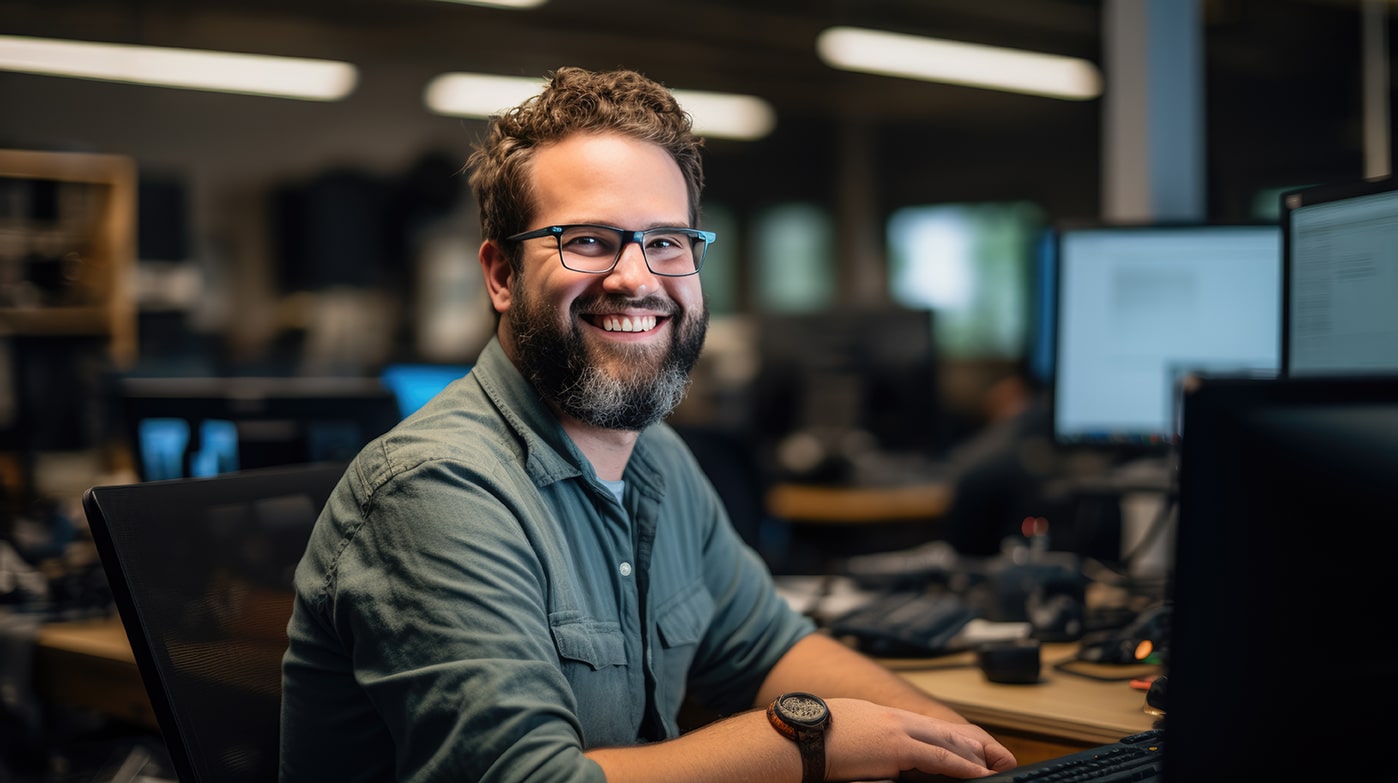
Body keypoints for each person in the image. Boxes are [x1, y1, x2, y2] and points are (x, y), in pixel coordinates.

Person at [279, 66, 1018, 783]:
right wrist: (809, 740)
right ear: (501, 275)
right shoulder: (438, 491)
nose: (637, 277)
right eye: (590, 239)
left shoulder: (657, 460)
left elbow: (769, 648)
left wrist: (952, 745)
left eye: (667, 242)